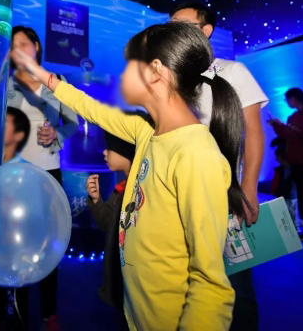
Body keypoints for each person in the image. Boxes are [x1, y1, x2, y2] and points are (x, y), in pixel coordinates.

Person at [13, 22, 240, 330]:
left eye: (130, 65)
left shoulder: (195, 154)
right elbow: (90, 108)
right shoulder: (146, 132)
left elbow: (210, 285)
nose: (122, 75)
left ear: (155, 70)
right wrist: (38, 72)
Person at [170, 2, 268, 331]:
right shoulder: (171, 80)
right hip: (177, 195)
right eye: (171, 24)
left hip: (224, 196)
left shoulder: (232, 71)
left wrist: (249, 189)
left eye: (183, 23)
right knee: (183, 287)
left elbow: (254, 133)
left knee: (235, 286)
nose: (175, 30)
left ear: (206, 30)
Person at [7, 26, 79, 330]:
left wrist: (56, 134)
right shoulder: (7, 82)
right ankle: (19, 314)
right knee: (18, 244)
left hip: (49, 173)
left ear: (36, 46)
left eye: (24, 43)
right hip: (14, 174)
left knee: (49, 245)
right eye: (13, 45)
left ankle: (50, 314)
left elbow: (73, 123)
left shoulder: (57, 80)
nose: (19, 48)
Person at [85, 126, 142, 331]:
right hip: (121, 286)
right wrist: (96, 200)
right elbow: (108, 224)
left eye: (109, 147)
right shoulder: (121, 188)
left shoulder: (140, 193)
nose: (104, 152)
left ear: (127, 152)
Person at [267, 88, 303, 241]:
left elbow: (289, 135)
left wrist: (276, 125)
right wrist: (281, 125)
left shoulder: (297, 117)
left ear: (293, 99)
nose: (287, 102)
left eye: (287, 99)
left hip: (300, 160)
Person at [0, 107, 31, 331]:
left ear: (18, 135)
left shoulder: (25, 171)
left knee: (17, 299)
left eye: (5, 123)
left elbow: (30, 215)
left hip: (14, 246)